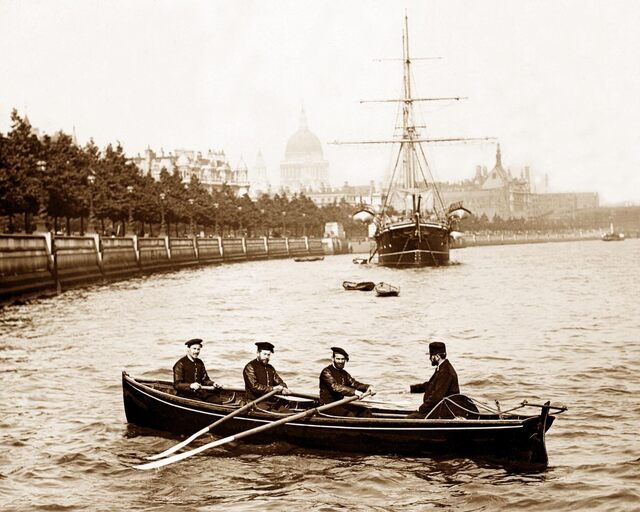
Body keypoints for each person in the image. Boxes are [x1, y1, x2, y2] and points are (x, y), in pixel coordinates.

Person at [407, 341, 459, 419]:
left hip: (444, 413)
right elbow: (429, 385)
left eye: (431, 356)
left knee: (409, 419)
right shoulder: (442, 368)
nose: (429, 358)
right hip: (438, 409)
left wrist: (421, 409)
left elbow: (436, 397)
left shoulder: (446, 372)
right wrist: (411, 389)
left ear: (437, 356)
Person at [319, 347, 375, 417]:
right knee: (349, 415)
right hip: (327, 406)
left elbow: (354, 384)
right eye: (338, 359)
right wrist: (354, 392)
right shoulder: (326, 372)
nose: (340, 361)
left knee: (365, 411)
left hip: (340, 404)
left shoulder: (344, 373)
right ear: (333, 359)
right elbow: (336, 387)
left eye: (342, 359)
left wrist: (368, 387)